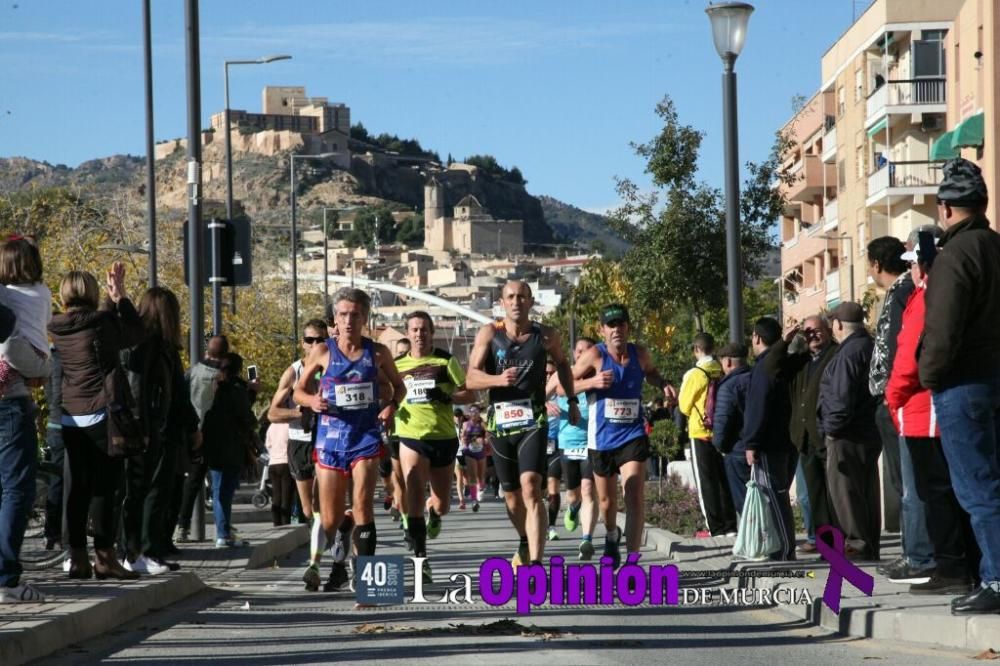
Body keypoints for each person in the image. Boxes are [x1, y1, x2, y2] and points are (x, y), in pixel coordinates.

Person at [919, 158, 1000, 614]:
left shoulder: (955, 256)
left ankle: (996, 579)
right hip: (994, 378)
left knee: (977, 488)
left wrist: (930, 375)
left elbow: (943, 330)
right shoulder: (994, 246)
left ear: (946, 208)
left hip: (962, 384)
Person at [293, 287, 405, 595]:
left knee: (363, 506)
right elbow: (298, 391)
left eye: (355, 315)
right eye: (343, 314)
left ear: (365, 318)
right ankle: (319, 560)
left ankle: (366, 580)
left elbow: (399, 387)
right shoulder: (323, 351)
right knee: (328, 517)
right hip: (330, 442)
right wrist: (312, 402)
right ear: (335, 319)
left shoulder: (378, 353)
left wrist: (390, 406)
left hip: (365, 439)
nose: (349, 320)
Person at [887, 230, 980, 595]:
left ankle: (951, 567)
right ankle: (960, 565)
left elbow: (910, 354)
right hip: (930, 407)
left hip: (922, 411)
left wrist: (893, 395)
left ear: (924, 265)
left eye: (913, 264)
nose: (910, 271)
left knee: (936, 495)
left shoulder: (927, 297)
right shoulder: (940, 295)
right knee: (949, 492)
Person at [465, 280, 578, 567]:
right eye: (511, 297)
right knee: (513, 498)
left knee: (531, 487)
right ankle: (525, 540)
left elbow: (563, 364)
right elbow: (471, 378)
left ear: (531, 302)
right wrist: (497, 380)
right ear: (502, 302)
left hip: (533, 420)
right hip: (501, 424)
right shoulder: (490, 334)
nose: (516, 302)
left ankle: (537, 565)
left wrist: (573, 401)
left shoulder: (546, 335)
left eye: (522, 297)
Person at [48, 263, 143, 581]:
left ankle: (77, 557)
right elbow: (134, 333)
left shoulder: (58, 327)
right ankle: (104, 556)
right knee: (105, 487)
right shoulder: (101, 323)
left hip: (71, 416)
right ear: (91, 292)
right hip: (102, 414)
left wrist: (109, 305)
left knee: (77, 488)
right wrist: (121, 297)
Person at [572, 304, 672, 568]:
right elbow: (564, 383)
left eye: (621, 324)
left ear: (628, 327)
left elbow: (650, 373)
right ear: (602, 329)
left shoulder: (640, 354)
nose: (616, 329)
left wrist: (662, 383)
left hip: (632, 434)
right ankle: (612, 534)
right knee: (606, 502)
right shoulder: (594, 355)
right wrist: (591, 383)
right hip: (602, 439)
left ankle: (633, 562)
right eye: (610, 325)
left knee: (634, 493)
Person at [121, 287, 199, 575]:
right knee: (149, 492)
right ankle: (143, 550)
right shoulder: (150, 346)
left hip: (157, 428)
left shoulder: (159, 347)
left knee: (150, 492)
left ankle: (143, 550)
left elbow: (177, 393)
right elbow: (149, 389)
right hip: (153, 429)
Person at [868, 234, 931, 582]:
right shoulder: (906, 291)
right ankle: (915, 553)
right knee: (904, 481)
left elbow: (901, 347)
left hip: (904, 399)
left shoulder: (906, 291)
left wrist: (892, 396)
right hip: (899, 397)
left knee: (909, 483)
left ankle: (918, 555)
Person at [394, 311, 472, 583]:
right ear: (407, 332)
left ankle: (434, 513)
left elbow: (470, 392)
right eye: (414, 329)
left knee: (442, 504)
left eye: (424, 329)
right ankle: (420, 558)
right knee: (413, 489)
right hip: (411, 436)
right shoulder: (397, 365)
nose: (419, 334)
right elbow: (389, 394)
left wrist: (447, 394)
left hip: (443, 437)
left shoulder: (445, 360)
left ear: (432, 331)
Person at [0, 244, 52, 603]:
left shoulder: (4, 294)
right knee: (17, 490)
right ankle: (7, 578)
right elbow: (22, 347)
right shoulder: (41, 293)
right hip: (12, 400)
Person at [267, 319, 331, 589]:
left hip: (327, 441)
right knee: (308, 509)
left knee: (323, 505)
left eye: (320, 340)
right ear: (302, 343)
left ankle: (318, 563)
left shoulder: (333, 365)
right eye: (310, 340)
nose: (315, 345)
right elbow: (272, 412)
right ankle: (323, 543)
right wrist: (298, 412)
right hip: (299, 442)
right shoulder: (293, 371)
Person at [819, 302, 881, 561]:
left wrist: (832, 430)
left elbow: (841, 397)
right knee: (866, 490)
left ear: (838, 325)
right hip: (868, 429)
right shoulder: (869, 346)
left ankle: (856, 544)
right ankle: (868, 544)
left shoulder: (848, 353)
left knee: (846, 492)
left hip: (847, 434)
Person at [743, 317, 797, 561]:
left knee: (774, 496)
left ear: (756, 337)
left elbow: (758, 407)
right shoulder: (781, 364)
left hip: (769, 443)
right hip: (785, 439)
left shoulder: (765, 368)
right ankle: (781, 547)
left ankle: (783, 550)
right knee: (778, 494)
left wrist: (751, 442)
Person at [787, 315, 839, 554]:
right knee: (815, 495)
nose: (812, 336)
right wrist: (787, 340)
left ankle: (839, 542)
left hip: (827, 435)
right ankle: (824, 543)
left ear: (828, 331)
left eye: (817, 331)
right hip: (805, 438)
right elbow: (774, 368)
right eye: (807, 333)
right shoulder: (801, 361)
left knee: (834, 494)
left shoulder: (836, 355)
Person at [679, 332, 736, 537]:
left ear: (696, 349)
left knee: (706, 482)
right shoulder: (721, 370)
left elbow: (684, 406)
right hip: (722, 432)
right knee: (724, 479)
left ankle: (715, 527)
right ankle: (731, 525)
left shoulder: (695, 374)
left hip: (700, 432)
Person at [548, 336, 599, 560]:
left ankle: (586, 539)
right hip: (567, 443)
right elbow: (540, 395)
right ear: (573, 353)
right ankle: (573, 508)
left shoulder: (600, 377)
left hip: (593, 442)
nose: (582, 355)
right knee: (572, 495)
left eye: (587, 350)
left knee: (589, 489)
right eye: (579, 351)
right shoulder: (562, 374)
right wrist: (546, 403)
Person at [202, 353, 258, 548]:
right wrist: (251, 393)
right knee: (224, 492)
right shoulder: (236, 389)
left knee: (219, 490)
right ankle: (223, 533)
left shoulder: (211, 387)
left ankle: (224, 531)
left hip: (213, 445)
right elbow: (246, 417)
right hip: (233, 446)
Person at [177, 334, 229, 542]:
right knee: (220, 483)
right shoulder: (224, 376)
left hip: (192, 430)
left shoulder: (192, 372)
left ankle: (182, 526)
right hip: (216, 434)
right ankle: (223, 531)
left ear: (207, 350)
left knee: (192, 481)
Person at [0, 237, 51, 396]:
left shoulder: (7, 293)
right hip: (41, 351)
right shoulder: (43, 291)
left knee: (4, 379)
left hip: (20, 349)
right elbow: (47, 320)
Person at [710, 342, 752, 515]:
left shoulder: (728, 386)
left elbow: (722, 420)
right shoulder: (757, 377)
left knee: (744, 502)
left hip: (737, 450)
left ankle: (754, 539)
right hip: (758, 448)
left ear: (727, 362)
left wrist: (719, 445)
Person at [543, 360, 563, 541]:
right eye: (546, 373)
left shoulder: (562, 392)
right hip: (535, 444)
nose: (549, 376)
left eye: (552, 373)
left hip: (556, 445)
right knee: (534, 488)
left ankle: (551, 526)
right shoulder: (534, 392)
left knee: (553, 486)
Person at [265, 416, 294, 526]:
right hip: (286, 463)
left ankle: (276, 524)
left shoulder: (271, 426)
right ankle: (286, 523)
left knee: (276, 496)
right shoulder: (289, 425)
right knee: (286, 497)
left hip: (273, 464)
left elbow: (268, 445)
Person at [460, 407, 489, 511]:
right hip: (469, 451)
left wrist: (484, 440)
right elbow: (462, 436)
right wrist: (464, 441)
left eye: (476, 412)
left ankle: (480, 487)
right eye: (471, 412)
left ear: (479, 413)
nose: (474, 414)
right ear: (469, 413)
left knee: (481, 476)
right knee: (472, 476)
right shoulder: (465, 424)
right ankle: (474, 500)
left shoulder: (482, 424)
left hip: (481, 451)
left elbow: (488, 435)